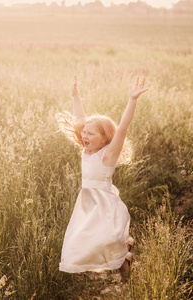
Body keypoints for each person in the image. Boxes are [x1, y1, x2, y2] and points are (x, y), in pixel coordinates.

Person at [57, 75, 148, 282]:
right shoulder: (86, 150)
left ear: (105, 138)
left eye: (91, 134)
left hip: (104, 202)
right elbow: (80, 120)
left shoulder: (107, 155)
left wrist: (132, 100)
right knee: (82, 238)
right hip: (87, 202)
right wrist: (75, 96)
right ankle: (126, 249)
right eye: (84, 134)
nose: (84, 137)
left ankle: (125, 259)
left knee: (107, 237)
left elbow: (123, 128)